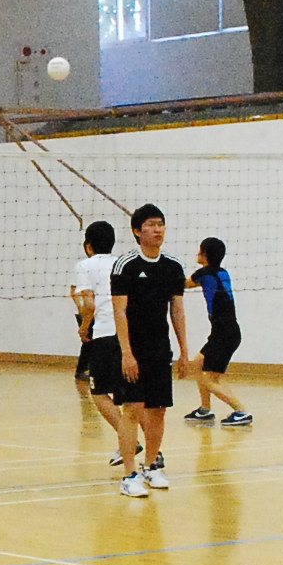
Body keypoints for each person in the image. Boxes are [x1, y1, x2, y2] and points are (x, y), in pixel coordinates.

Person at [110, 204, 189, 497]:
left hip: (160, 349)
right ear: (137, 231)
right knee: (132, 409)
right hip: (133, 349)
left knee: (158, 410)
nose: (158, 230)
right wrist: (126, 353)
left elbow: (177, 311)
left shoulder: (173, 267)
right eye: (151, 225)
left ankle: (152, 466)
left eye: (161, 224)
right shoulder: (125, 265)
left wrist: (184, 351)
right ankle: (129, 474)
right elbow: (119, 312)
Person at [70, 220, 128, 462]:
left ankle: (129, 441)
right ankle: (151, 452)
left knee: (99, 392)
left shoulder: (85, 266)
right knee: (132, 400)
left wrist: (85, 328)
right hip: (128, 336)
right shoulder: (123, 263)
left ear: (88, 246)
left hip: (105, 336)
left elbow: (90, 305)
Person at [185, 236, 251, 427]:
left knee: (209, 379)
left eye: (200, 250)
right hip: (225, 332)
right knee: (198, 364)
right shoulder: (223, 272)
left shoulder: (204, 274)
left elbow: (183, 284)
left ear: (205, 254)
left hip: (224, 334)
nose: (197, 253)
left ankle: (241, 411)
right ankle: (205, 409)